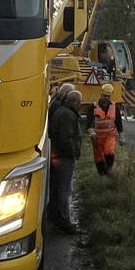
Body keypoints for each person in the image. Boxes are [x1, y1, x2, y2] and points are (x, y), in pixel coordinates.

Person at [48, 90, 82, 234]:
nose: (80, 106)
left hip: (59, 155)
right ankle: (64, 221)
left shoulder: (61, 111)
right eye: (80, 103)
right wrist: (73, 152)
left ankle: (57, 217)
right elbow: (66, 138)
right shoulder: (67, 115)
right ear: (75, 101)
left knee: (58, 188)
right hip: (64, 157)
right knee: (64, 189)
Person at [87, 83, 122, 175]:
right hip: (97, 137)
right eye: (105, 96)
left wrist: (121, 136)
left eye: (108, 96)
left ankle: (110, 168)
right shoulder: (93, 107)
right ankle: (102, 174)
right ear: (101, 94)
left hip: (110, 135)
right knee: (98, 157)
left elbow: (118, 121)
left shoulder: (114, 107)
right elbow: (88, 123)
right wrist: (91, 132)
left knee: (109, 151)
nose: (106, 98)